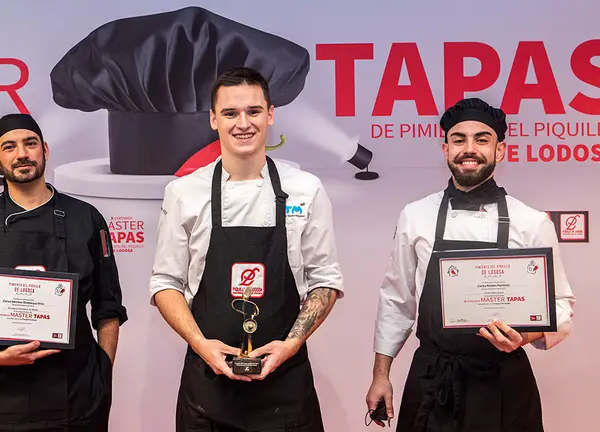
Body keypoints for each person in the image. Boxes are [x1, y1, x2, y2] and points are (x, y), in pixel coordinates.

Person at [149, 66, 346, 432]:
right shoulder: (184, 192)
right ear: (213, 119)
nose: (243, 123)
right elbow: (165, 282)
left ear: (270, 114)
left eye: (254, 111)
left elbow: (325, 280)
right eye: (230, 113)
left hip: (285, 390)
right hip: (207, 390)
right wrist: (200, 344)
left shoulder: (305, 188)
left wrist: (290, 345)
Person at [365, 98, 576, 431]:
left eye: (482, 139)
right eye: (459, 139)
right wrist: (381, 375)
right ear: (445, 149)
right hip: (432, 379)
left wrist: (523, 336)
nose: (470, 148)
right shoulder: (415, 216)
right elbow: (396, 302)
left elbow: (562, 308)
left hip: (503, 381)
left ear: (500, 150)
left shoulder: (531, 222)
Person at [0, 113, 128, 432]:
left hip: (75, 395)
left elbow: (108, 308)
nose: (22, 153)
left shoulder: (86, 218)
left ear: (45, 150)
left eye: (30, 143)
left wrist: (102, 371)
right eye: (9, 147)